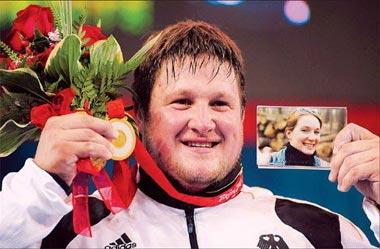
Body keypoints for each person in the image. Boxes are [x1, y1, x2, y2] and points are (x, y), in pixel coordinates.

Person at [0, 20, 379, 248]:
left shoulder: (322, 234)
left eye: (220, 104)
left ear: (242, 116)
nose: (203, 122)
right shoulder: (72, 231)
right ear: (140, 119)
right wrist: (42, 183)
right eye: (181, 101)